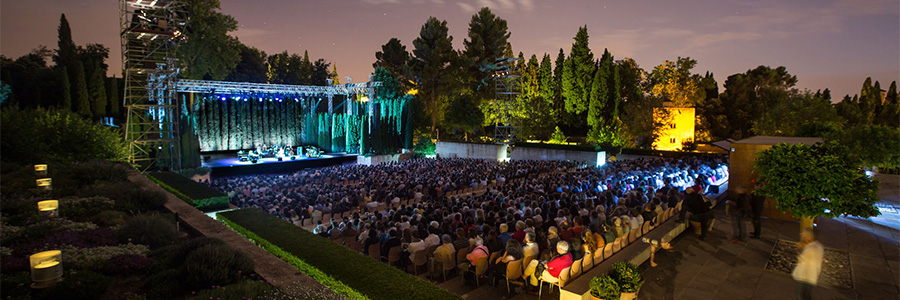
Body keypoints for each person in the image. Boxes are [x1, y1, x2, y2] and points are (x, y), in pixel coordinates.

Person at [792, 228, 823, 300]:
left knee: (801, 295)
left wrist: (800, 248)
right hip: (812, 277)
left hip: (804, 276)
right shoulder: (818, 246)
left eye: (804, 235)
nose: (802, 236)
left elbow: (800, 259)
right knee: (807, 295)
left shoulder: (810, 249)